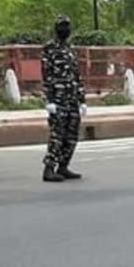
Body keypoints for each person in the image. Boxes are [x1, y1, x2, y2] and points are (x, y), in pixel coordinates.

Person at [42, 15, 86, 182]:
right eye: (62, 26)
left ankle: (63, 166)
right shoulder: (49, 48)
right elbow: (46, 75)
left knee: (72, 135)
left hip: (72, 98)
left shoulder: (71, 49)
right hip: (58, 99)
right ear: (56, 29)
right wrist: (49, 100)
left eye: (67, 26)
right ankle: (49, 169)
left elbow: (77, 75)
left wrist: (82, 100)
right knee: (57, 135)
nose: (65, 29)